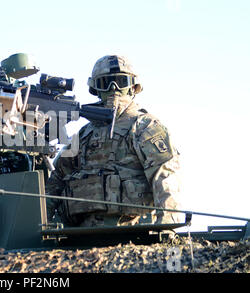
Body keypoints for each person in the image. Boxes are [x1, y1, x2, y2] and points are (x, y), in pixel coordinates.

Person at [46, 55, 181, 227]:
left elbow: (165, 177)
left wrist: (167, 225)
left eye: (120, 81)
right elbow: (56, 181)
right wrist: (40, 225)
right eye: (106, 83)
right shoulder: (84, 134)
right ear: (96, 89)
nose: (113, 88)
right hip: (81, 235)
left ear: (133, 87)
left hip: (134, 233)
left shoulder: (145, 127)